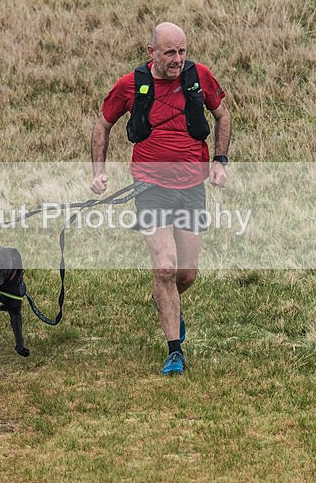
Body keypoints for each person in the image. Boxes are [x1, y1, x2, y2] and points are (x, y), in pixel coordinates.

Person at [90, 22, 231, 376]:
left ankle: (164, 298)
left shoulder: (199, 77)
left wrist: (220, 162)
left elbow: (223, 116)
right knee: (165, 266)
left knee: (185, 274)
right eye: (170, 52)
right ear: (151, 52)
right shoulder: (130, 85)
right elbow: (102, 124)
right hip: (149, 186)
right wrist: (98, 171)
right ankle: (174, 351)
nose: (178, 59)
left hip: (191, 188)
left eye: (182, 51)